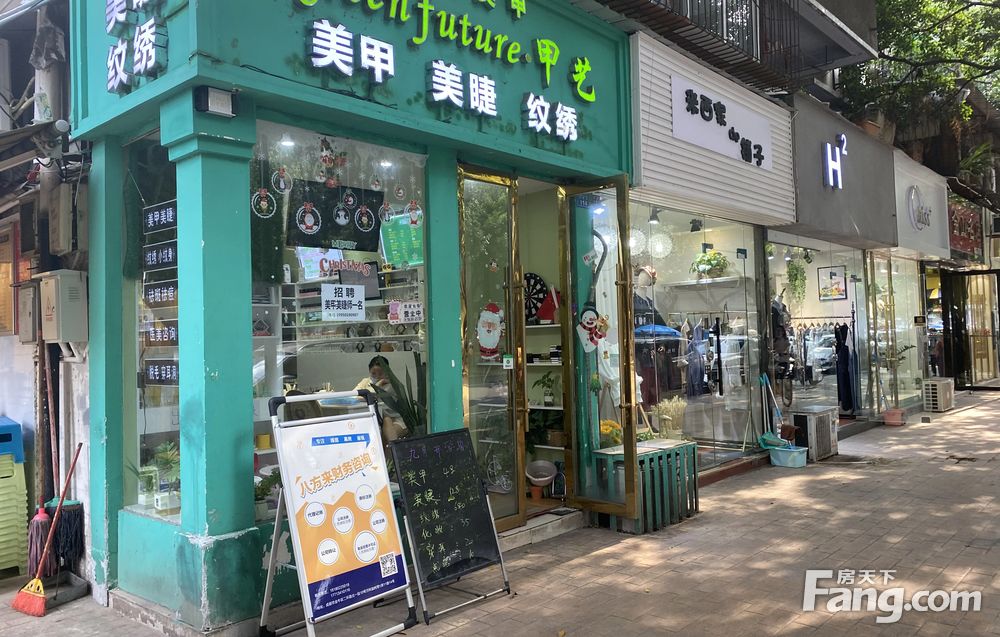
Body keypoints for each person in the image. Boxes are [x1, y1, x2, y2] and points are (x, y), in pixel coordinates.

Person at [354, 356, 408, 444]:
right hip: (376, 418)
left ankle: (392, 450)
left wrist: (378, 384)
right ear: (369, 371)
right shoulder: (366, 381)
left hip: (394, 419)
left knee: (386, 422)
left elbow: (372, 395)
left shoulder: (392, 385)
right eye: (373, 373)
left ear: (387, 372)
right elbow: (354, 395)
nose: (377, 376)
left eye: (381, 373)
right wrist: (377, 384)